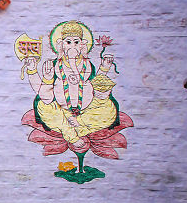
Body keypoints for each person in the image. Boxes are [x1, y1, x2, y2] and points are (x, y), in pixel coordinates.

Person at [22, 20, 117, 151]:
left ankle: (79, 124)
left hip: (86, 111)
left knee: (109, 110)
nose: (72, 46)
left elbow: (97, 84)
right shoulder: (54, 65)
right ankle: (71, 133)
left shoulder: (87, 65)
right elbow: (43, 95)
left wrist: (104, 68)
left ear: (82, 45)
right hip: (62, 111)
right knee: (44, 107)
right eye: (68, 42)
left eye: (76, 42)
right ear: (61, 45)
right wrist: (39, 74)